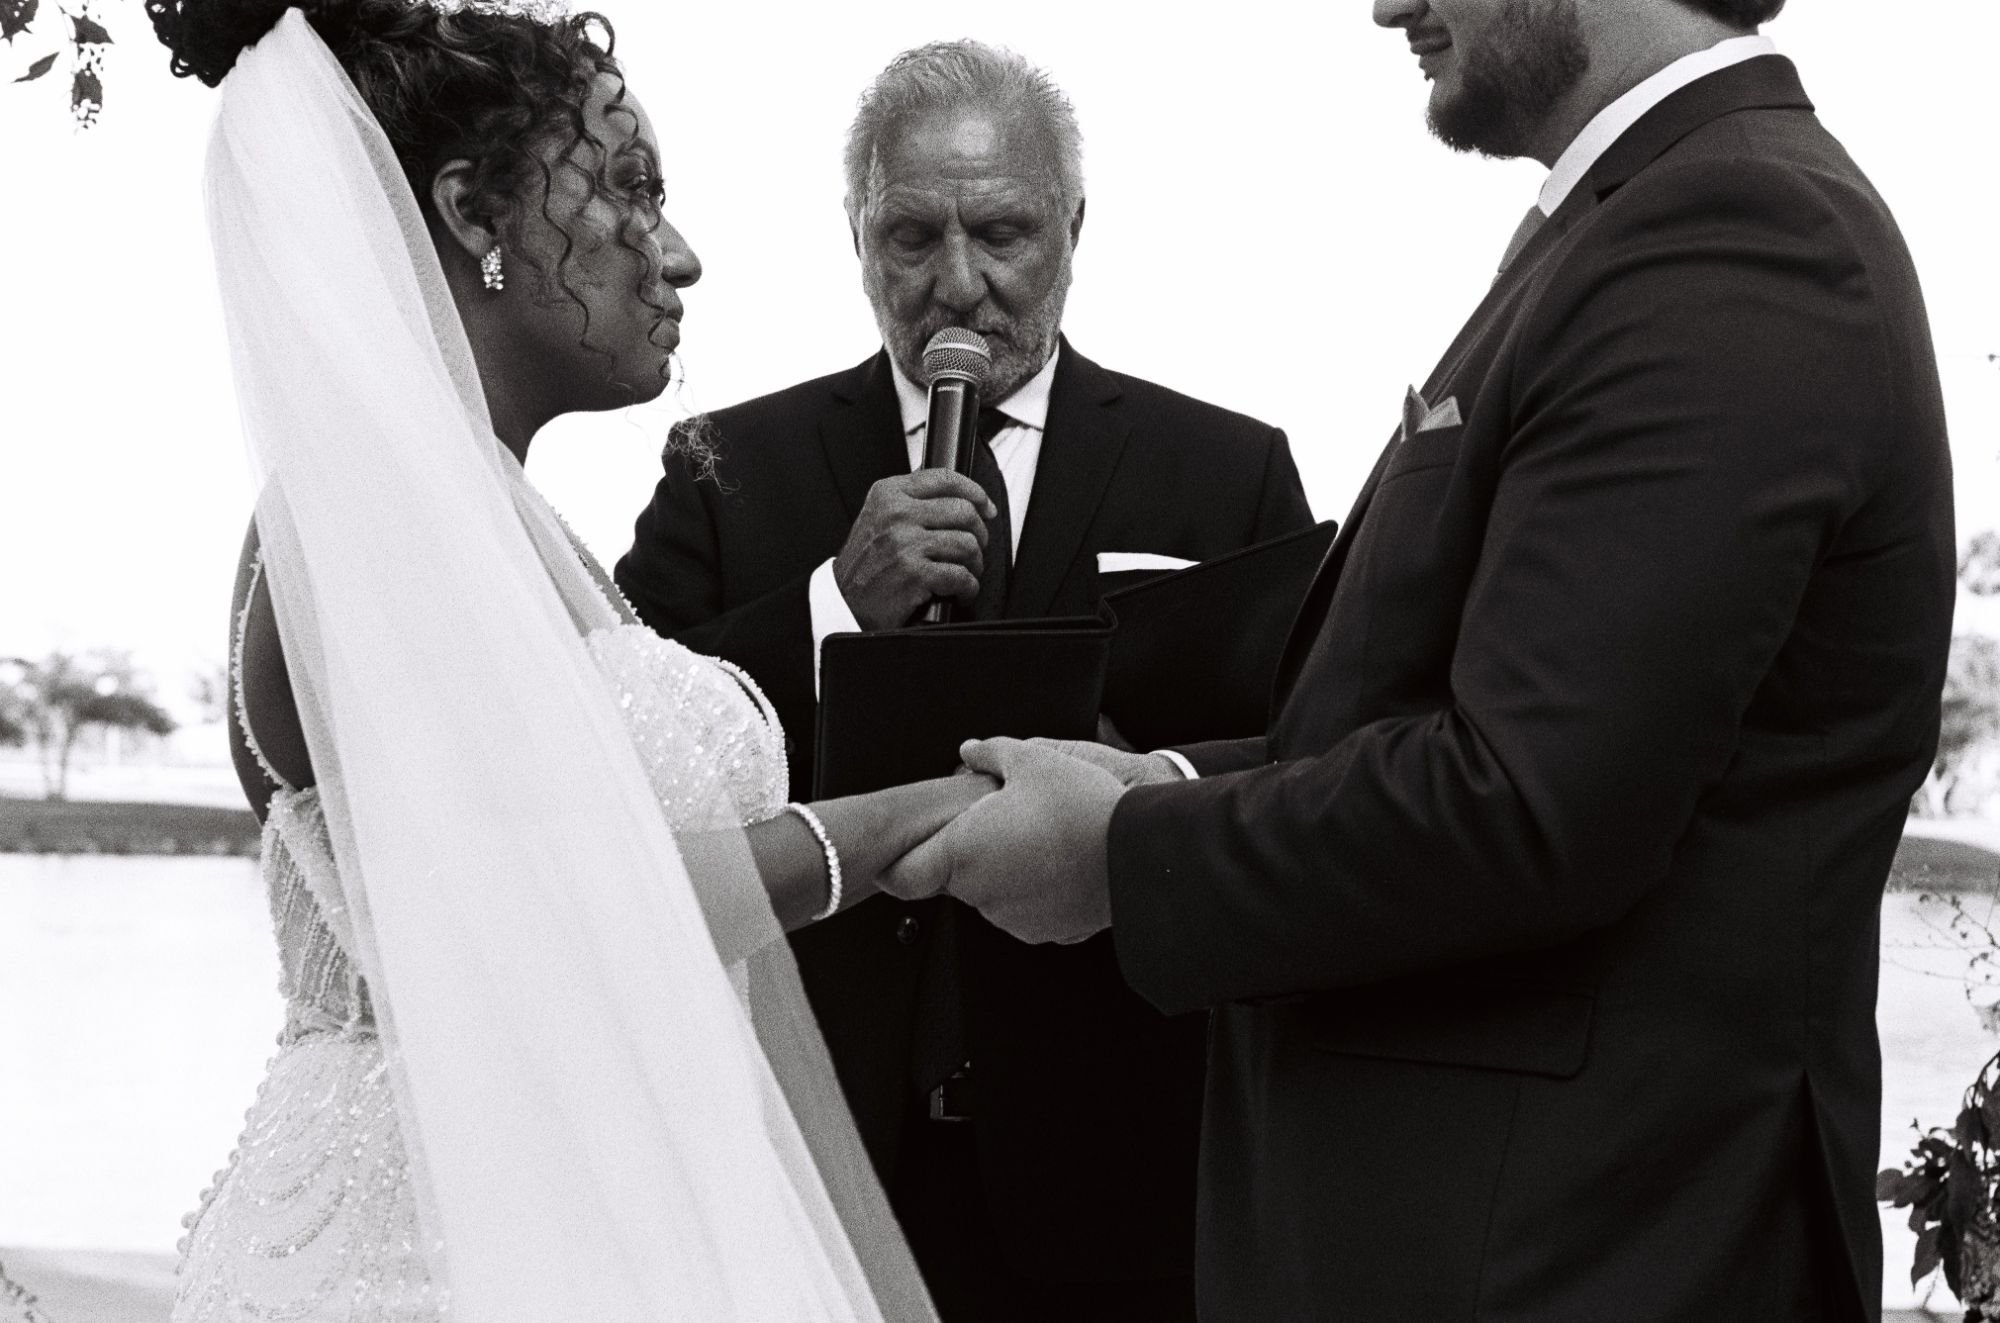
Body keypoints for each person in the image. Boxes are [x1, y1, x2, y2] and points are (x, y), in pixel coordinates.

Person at [894, 2, 1957, 1318]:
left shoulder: (1735, 233)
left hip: (1573, 1259)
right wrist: (1155, 779)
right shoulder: (1637, 219)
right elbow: (1427, 715)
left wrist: (1121, 855)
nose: (1388, 3)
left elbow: (1529, 801)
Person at [151, 1, 981, 1318]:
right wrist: (909, 822)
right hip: (421, 1264)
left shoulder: (489, 520)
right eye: (630, 191)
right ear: (473, 213)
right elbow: (554, 915)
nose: (679, 255)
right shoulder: (376, 509)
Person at [614, 39, 1315, 1321]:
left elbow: (1295, 780)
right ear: (855, 236)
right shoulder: (725, 468)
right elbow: (624, 753)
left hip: (1121, 1163)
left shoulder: (1226, 471)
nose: (956, 284)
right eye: (908, 237)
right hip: (806, 1163)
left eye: (1000, 233)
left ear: (1072, 228)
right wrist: (829, 606)